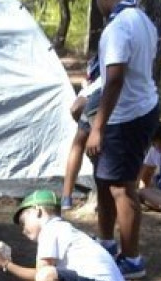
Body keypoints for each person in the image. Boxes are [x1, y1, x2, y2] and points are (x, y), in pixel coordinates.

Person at [85, 0, 159, 280]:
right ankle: (106, 243)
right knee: (105, 182)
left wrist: (97, 128)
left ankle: (131, 259)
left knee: (120, 187)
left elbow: (115, 79)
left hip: (127, 116)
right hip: (132, 112)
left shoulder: (119, 27)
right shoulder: (141, 19)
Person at [61, 56, 103, 211]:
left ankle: (67, 196)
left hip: (99, 97)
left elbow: (75, 108)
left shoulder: (95, 84)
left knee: (79, 144)